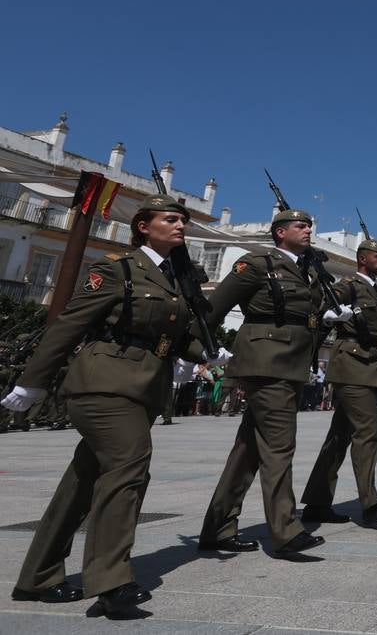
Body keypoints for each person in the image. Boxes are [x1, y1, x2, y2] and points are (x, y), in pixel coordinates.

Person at [3, 195, 224, 618]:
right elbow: (70, 324)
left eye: (183, 221)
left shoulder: (176, 280)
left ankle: (37, 576)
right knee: (129, 467)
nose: (180, 226)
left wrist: (207, 353)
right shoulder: (116, 269)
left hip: (144, 386)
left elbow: (173, 335)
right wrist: (31, 382)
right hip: (103, 383)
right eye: (171, 219)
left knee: (83, 481)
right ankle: (111, 582)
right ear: (143, 225)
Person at [198, 207, 345, 560]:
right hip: (265, 362)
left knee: (248, 451)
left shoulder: (305, 269)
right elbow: (213, 308)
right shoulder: (257, 263)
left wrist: (326, 315)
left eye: (310, 224)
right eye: (300, 225)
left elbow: (304, 316)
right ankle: (285, 531)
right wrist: (204, 348)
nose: (308, 229)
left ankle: (218, 527)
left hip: (291, 364)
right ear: (280, 232)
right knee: (280, 446)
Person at [300, 236, 377, 527]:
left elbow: (374, 326)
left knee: (339, 437)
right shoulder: (349, 285)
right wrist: (330, 315)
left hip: (368, 364)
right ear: (363, 258)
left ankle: (317, 503)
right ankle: (371, 505)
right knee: (368, 433)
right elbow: (324, 306)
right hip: (351, 364)